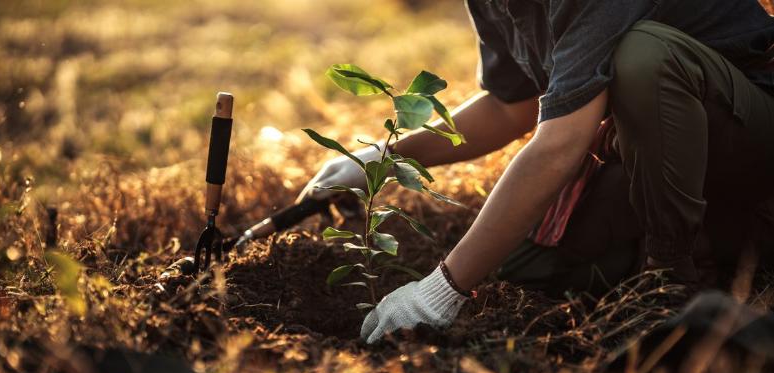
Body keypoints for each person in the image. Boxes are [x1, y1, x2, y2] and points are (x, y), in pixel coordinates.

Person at [298, 0, 774, 344]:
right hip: (665, 157)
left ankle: (675, 279)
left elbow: (560, 144)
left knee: (645, 56)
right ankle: (725, 250)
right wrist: (378, 160)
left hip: (751, 134)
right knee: (527, 272)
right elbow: (511, 108)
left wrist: (441, 290)